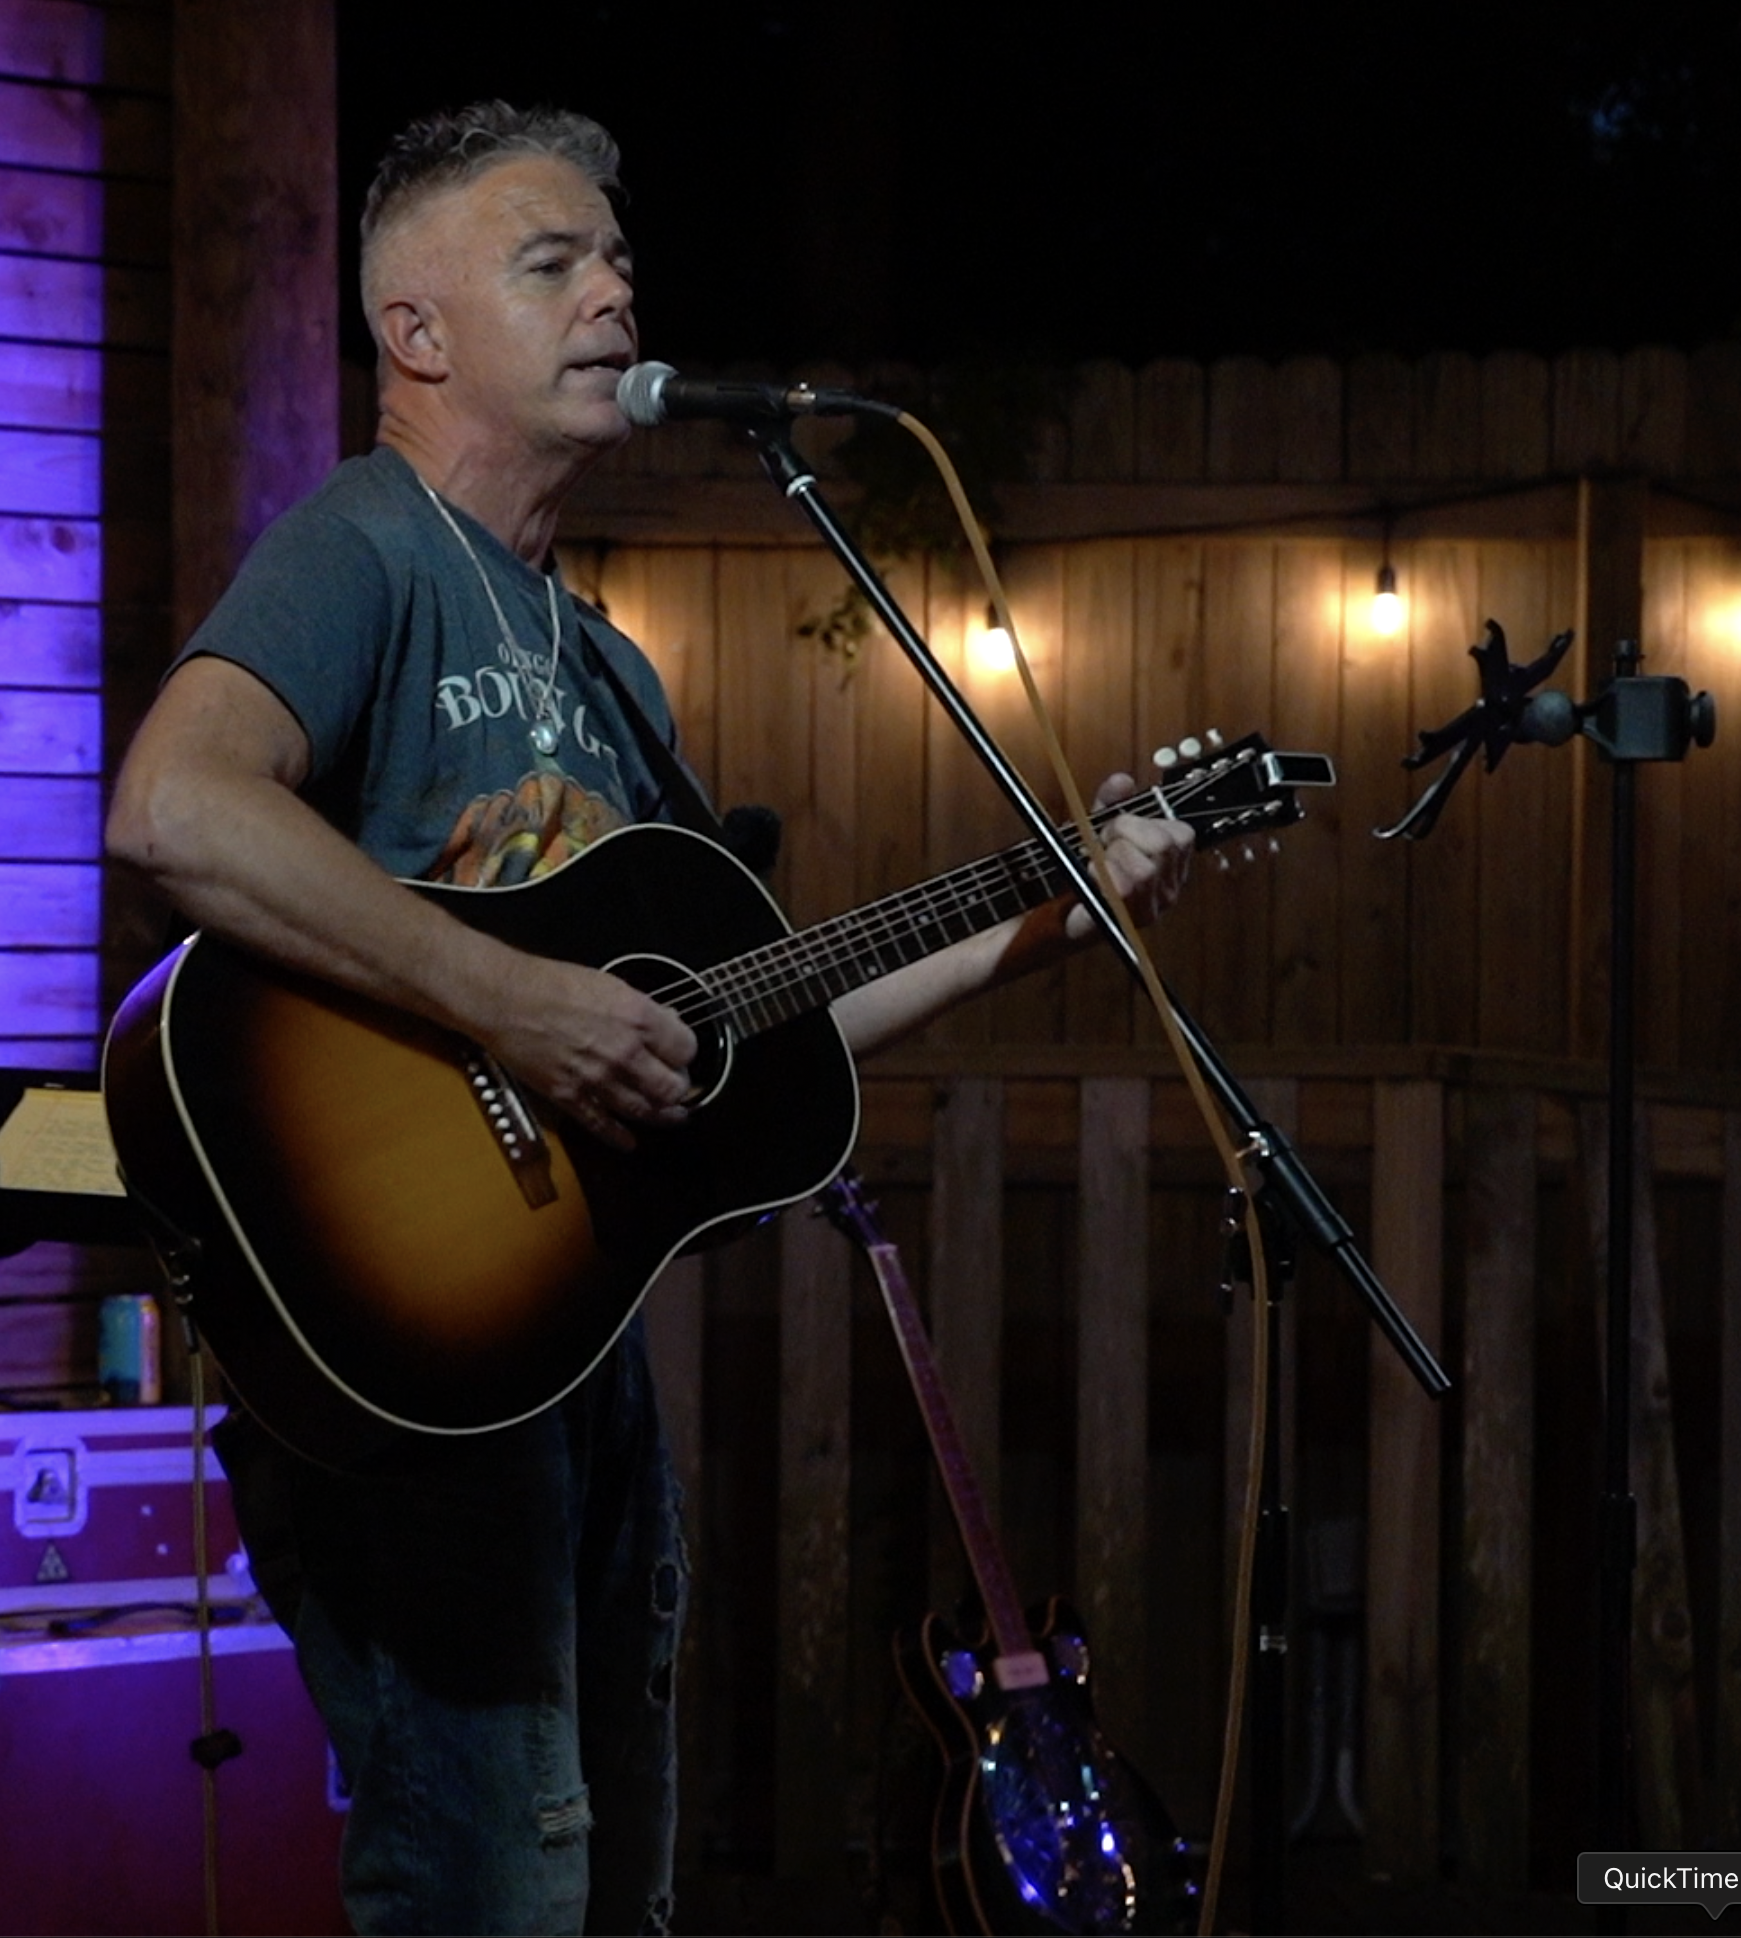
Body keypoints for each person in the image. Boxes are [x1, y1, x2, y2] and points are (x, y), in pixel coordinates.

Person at [105, 101, 1192, 1937]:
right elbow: (176, 811)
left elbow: (752, 1025)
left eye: (617, 259)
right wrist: (519, 1005)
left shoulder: (605, 662)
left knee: (614, 1886)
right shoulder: (362, 550)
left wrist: (1058, 910)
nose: (616, 289)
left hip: (568, 1349)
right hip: (403, 1373)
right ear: (417, 332)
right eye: (555, 263)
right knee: (490, 1887)